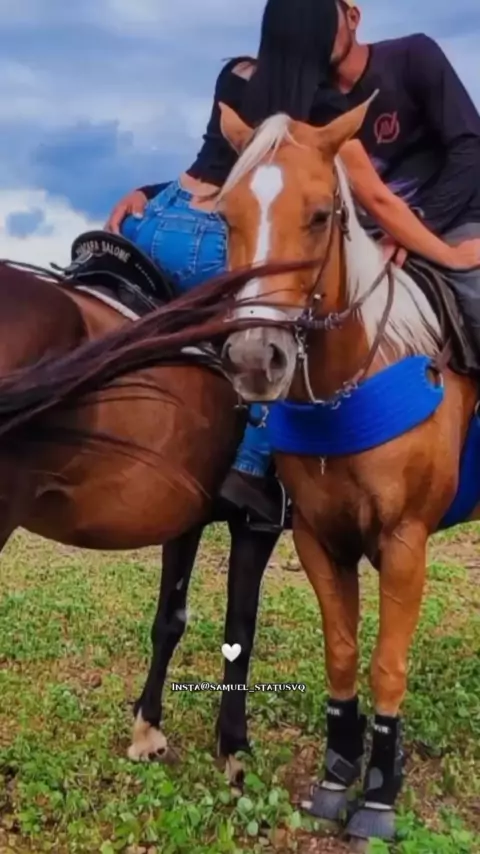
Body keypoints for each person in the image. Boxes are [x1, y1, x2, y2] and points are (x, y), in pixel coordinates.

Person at [105, 0, 480, 529]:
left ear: (353, 16)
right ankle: (264, 467)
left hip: (444, 216)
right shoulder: (308, 102)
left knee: (474, 293)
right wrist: (150, 190)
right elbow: (265, 180)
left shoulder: (412, 58)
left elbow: (469, 151)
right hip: (350, 227)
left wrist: (427, 233)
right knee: (283, 310)